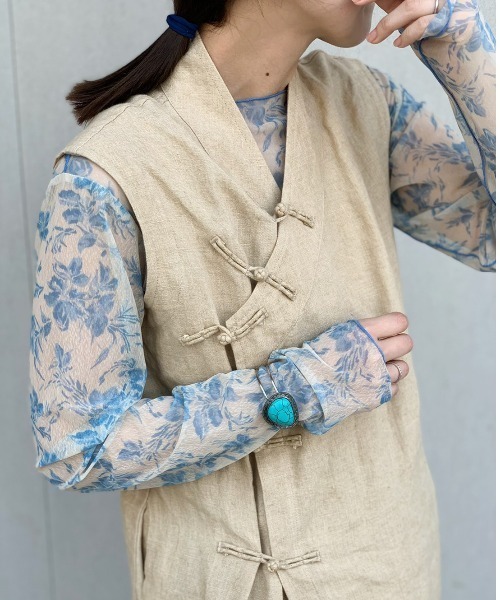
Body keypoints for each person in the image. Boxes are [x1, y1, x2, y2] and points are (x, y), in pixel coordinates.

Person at [29, 0, 495, 598]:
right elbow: (76, 447)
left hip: (389, 571)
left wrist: (463, 41)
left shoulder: (366, 101)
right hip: (220, 581)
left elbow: (488, 234)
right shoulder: (104, 174)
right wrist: (291, 391)